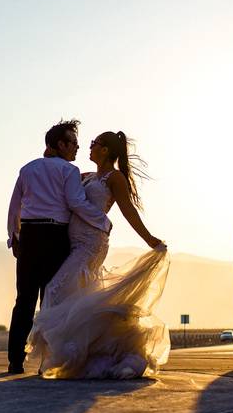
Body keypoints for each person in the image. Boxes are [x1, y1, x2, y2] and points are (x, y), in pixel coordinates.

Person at [25, 130, 170, 379]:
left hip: (91, 244)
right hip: (74, 243)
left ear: (105, 150)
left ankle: (63, 354)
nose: (88, 147)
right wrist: (50, 155)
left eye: (94, 144)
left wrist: (149, 239)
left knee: (55, 290)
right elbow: (58, 179)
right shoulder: (86, 175)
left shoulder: (115, 178)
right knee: (78, 297)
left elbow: (128, 211)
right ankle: (83, 353)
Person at [5, 119, 113, 374]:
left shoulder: (27, 169)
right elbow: (75, 202)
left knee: (24, 299)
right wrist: (103, 221)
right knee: (52, 299)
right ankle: (48, 360)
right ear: (59, 145)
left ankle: (15, 360)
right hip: (56, 236)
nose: (77, 148)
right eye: (73, 143)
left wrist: (14, 238)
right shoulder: (68, 172)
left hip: (30, 236)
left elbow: (14, 208)